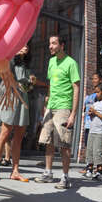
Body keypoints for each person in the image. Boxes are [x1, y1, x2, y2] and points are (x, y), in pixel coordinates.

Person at [34, 35, 80, 190]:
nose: (50, 46)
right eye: (49, 43)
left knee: (64, 143)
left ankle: (65, 177)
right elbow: (50, 85)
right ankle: (48, 173)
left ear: (62, 45)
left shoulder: (71, 63)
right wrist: (46, 105)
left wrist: (73, 114)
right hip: (51, 107)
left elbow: (76, 88)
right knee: (48, 140)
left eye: (54, 43)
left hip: (63, 107)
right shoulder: (51, 61)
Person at [0, 45, 35, 182]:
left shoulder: (26, 65)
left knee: (19, 138)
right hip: (10, 99)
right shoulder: (9, 60)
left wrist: (31, 83)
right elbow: (4, 77)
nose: (25, 47)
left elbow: (27, 88)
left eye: (27, 45)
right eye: (22, 45)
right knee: (4, 134)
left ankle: (15, 171)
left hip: (23, 100)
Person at [83, 83, 102, 180]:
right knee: (90, 151)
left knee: (98, 152)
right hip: (92, 130)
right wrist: (91, 114)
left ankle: (99, 172)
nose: (96, 94)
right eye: (95, 92)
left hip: (99, 132)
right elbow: (92, 117)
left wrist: (96, 113)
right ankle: (89, 170)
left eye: (98, 92)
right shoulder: (95, 103)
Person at [81, 71, 102, 154]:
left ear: (100, 80)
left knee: (96, 149)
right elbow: (85, 108)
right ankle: (88, 162)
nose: (93, 80)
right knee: (88, 148)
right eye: (92, 79)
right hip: (87, 125)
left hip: (96, 125)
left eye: (96, 79)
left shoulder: (101, 94)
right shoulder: (90, 95)